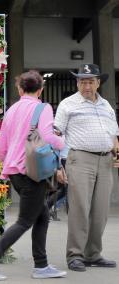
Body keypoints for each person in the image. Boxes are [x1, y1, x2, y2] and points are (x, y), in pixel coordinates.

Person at [0, 70, 66, 280]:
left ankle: (41, 266)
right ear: (41, 89)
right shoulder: (43, 108)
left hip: (15, 172)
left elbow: (0, 148)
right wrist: (63, 143)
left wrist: (10, 162)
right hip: (32, 172)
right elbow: (49, 137)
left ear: (20, 88)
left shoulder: (12, 109)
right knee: (25, 221)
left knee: (42, 216)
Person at [54, 63, 119, 272]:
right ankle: (75, 255)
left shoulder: (106, 105)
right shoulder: (68, 104)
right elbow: (55, 136)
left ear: (98, 83)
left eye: (90, 81)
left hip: (106, 161)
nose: (86, 86)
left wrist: (116, 151)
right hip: (79, 160)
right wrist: (58, 165)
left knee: (100, 211)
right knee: (79, 209)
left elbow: (114, 135)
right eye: (82, 81)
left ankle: (93, 254)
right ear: (77, 83)